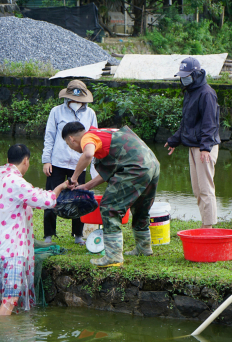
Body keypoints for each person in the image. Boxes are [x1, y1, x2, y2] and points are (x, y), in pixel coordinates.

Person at [0, 144, 69, 315]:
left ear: (8, 160)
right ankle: (1, 330)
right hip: (13, 249)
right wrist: (61, 187)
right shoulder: (16, 182)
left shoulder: (0, 179)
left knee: (8, 297)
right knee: (11, 298)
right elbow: (45, 200)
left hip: (0, 247)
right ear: (26, 161)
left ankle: (5, 331)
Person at [62, 122, 160, 267]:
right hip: (151, 165)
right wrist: (87, 186)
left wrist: (74, 178)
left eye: (69, 145)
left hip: (135, 168)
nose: (73, 149)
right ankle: (144, 248)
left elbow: (88, 154)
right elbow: (111, 171)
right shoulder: (104, 133)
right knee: (141, 207)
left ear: (71, 139)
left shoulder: (87, 137)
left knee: (109, 207)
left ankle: (113, 256)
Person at [165, 57, 221, 229]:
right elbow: (187, 122)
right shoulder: (190, 91)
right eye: (182, 76)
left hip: (205, 147)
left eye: (187, 75)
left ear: (196, 74)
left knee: (206, 189)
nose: (184, 79)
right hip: (194, 146)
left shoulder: (206, 93)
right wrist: (175, 140)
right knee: (197, 189)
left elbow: (209, 123)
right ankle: (205, 223)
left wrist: (205, 148)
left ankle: (209, 227)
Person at [42, 80, 98, 245]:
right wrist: (46, 160)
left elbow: (93, 140)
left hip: (79, 163)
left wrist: (93, 164)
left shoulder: (90, 114)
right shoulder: (56, 112)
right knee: (52, 197)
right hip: (57, 161)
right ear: (67, 96)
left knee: (79, 197)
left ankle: (78, 235)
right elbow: (49, 136)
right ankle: (48, 235)